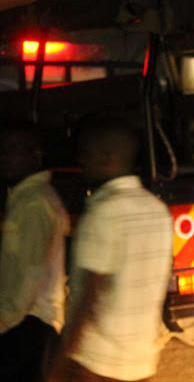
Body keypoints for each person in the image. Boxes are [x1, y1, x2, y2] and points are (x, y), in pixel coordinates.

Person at [49, 117, 173, 382]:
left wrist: (60, 362)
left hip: (95, 363)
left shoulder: (104, 212)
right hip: (141, 363)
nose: (80, 160)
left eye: (86, 152)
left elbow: (88, 296)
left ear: (107, 158)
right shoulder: (157, 210)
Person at [0, 123, 69, 382]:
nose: (5, 156)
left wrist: (3, 323)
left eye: (14, 149)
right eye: (3, 149)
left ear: (35, 155)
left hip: (28, 323)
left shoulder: (33, 203)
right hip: (29, 322)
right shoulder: (26, 197)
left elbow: (29, 276)